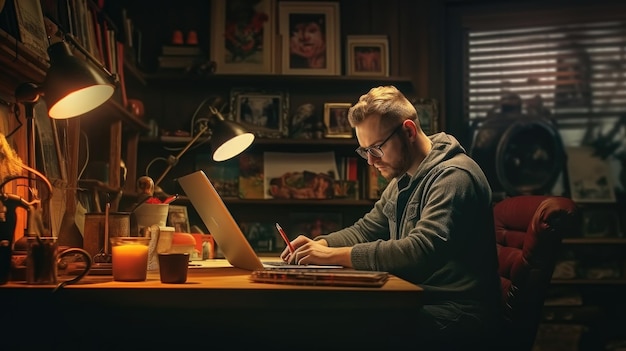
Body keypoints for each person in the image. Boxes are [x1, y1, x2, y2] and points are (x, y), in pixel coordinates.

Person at [280, 85, 502, 348]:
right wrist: (320, 245)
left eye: (376, 148)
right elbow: (365, 230)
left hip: (457, 314)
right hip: (418, 300)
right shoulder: (404, 178)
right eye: (365, 151)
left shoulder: (455, 176)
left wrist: (329, 257)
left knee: (334, 327)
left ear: (408, 131)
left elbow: (420, 252)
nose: (371, 162)